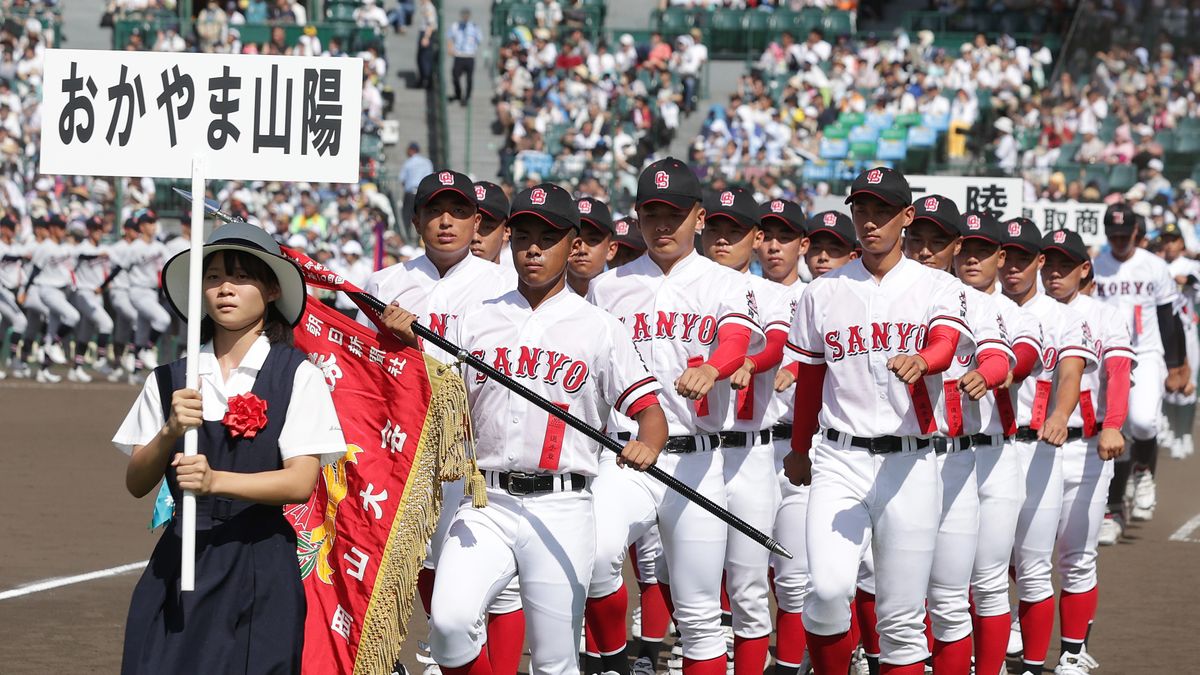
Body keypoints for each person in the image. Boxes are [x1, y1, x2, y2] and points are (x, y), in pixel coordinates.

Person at [384, 183, 667, 675]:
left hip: (563, 504)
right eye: (524, 236)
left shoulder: (599, 327)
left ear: (573, 244)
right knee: (449, 627)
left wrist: (648, 445)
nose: (534, 248)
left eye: (549, 236)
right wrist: (406, 343)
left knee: (555, 660)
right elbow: (431, 395)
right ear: (509, 238)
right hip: (484, 501)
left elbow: (650, 414)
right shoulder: (476, 319)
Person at [112, 221, 344, 674]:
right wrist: (168, 432)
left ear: (273, 289)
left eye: (241, 277)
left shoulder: (297, 375)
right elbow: (136, 481)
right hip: (180, 558)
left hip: (259, 561)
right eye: (214, 276)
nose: (225, 289)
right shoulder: (168, 379)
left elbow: (300, 481)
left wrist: (216, 480)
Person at [783, 167, 976, 674]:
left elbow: (946, 342)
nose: (870, 222)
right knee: (825, 590)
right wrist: (800, 448)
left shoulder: (937, 284)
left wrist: (926, 362)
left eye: (883, 211)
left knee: (902, 620)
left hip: (910, 464)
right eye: (862, 209)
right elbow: (809, 378)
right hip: (839, 457)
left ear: (907, 217)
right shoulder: (822, 290)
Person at [585, 158, 762, 675]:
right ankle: (615, 660)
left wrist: (715, 366)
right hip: (625, 455)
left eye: (675, 213)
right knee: (596, 557)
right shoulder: (608, 286)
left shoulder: (725, 282)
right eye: (652, 213)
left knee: (700, 615)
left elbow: (734, 338)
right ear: (637, 217)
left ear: (699, 218)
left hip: (696, 461)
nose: (663, 225)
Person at [360, 169, 513, 664]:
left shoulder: (506, 283)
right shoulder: (385, 283)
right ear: (415, 220)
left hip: (477, 448)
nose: (446, 221)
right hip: (410, 444)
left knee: (492, 578)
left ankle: (486, 662)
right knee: (424, 556)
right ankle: (440, 654)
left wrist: (416, 345)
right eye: (434, 211)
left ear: (477, 222)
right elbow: (366, 369)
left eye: (460, 211)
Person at [997, 218, 1095, 675]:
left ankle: (1035, 666)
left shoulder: (1065, 317)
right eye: (1007, 256)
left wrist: (1060, 413)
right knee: (986, 568)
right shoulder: (982, 305)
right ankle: (988, 659)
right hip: (985, 448)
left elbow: (1071, 372)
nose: (1012, 266)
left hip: (1037, 449)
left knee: (1034, 567)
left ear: (1039, 261)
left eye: (1023, 257)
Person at [698, 187, 786, 675]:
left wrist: (747, 361)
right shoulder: (688, 288)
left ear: (756, 238)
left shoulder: (770, 293)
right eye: (716, 228)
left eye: (736, 230)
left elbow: (774, 345)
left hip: (751, 452)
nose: (723, 238)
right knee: (691, 580)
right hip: (696, 449)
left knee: (749, 587)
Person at [1040, 229, 1133, 675]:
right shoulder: (1024, 310)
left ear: (1084, 270)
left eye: (1065, 265)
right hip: (1031, 447)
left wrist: (1113, 425)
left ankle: (1073, 653)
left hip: (1085, 447)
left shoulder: (1104, 315)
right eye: (1049, 263)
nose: (1055, 272)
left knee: (1077, 555)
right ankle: (1022, 642)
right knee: (1021, 553)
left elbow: (1117, 373)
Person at [954, 215, 1041, 675]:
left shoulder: (1015, 313)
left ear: (1000, 258)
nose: (972, 258)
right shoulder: (932, 302)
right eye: (965, 247)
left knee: (988, 579)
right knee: (940, 582)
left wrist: (1003, 371)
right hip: (939, 454)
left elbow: (1024, 354)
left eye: (983, 251)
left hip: (995, 453)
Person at [1091, 204, 1186, 538]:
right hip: (1106, 356)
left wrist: (1177, 366)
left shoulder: (1154, 266)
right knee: (1113, 428)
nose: (1118, 240)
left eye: (1124, 234)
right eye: (1112, 234)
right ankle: (1113, 513)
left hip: (1145, 353)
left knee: (1143, 422)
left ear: (1137, 233)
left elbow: (1169, 318)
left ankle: (1143, 472)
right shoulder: (1094, 267)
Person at [1156, 222, 1200, 459]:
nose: (1168, 244)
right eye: (1165, 239)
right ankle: (1172, 431)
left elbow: (1196, 282)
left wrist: (1189, 279)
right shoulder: (1158, 265)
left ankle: (1184, 434)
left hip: (1187, 331)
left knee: (1188, 383)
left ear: (1181, 243)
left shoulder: (1191, 265)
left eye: (1172, 239)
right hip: (1165, 331)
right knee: (1167, 383)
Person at [23, 213, 80, 383]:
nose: (63, 231)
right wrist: (24, 291)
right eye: (60, 227)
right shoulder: (45, 247)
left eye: (64, 227)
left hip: (61, 291)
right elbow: (34, 270)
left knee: (51, 332)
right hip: (47, 290)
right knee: (72, 316)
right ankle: (53, 345)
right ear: (53, 228)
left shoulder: (64, 247)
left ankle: (43, 370)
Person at [68, 216, 116, 382]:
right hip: (83, 293)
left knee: (85, 333)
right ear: (88, 230)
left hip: (97, 294)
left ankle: (76, 368)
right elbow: (74, 264)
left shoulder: (104, 248)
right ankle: (101, 359)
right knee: (106, 324)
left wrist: (103, 286)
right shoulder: (82, 248)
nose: (98, 232)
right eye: (95, 229)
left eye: (100, 228)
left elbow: (111, 268)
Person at [126, 210, 173, 375]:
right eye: (149, 223)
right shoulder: (135, 247)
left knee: (142, 331)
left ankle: (135, 372)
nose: (153, 226)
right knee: (162, 319)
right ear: (142, 226)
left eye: (154, 222)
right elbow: (121, 268)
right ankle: (148, 349)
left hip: (152, 292)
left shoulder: (159, 247)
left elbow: (171, 264)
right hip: (137, 291)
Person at [0, 213, 30, 379]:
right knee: (21, 321)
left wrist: (22, 291)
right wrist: (21, 255)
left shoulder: (16, 246)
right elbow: (6, 257)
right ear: (2, 228)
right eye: (10, 228)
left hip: (11, 293)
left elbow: (20, 271)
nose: (12, 231)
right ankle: (12, 359)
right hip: (1, 292)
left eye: (14, 228)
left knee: (2, 330)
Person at [471, 180, 518, 286]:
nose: (475, 237)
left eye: (487, 227)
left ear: (506, 231)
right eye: (470, 227)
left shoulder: (516, 287)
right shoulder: (439, 285)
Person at [566, 196, 615, 297]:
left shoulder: (624, 299)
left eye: (593, 240)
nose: (582, 249)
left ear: (611, 249)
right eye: (575, 240)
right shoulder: (542, 299)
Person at [400, 143, 434, 240]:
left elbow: (402, 180)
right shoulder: (427, 162)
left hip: (410, 193)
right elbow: (429, 178)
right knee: (422, 216)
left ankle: (406, 239)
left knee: (406, 216)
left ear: (411, 150)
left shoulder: (408, 162)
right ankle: (422, 240)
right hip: (423, 193)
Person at [447, 8, 480, 105]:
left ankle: (467, 97)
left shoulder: (474, 27)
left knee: (469, 79)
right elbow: (449, 37)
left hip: (469, 55)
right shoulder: (455, 26)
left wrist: (473, 48)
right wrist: (450, 48)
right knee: (455, 76)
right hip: (459, 55)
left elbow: (479, 39)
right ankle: (458, 94)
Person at [415, 0, 438, 89]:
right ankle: (423, 80)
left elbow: (431, 24)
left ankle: (428, 81)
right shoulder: (425, 6)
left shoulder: (429, 7)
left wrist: (426, 37)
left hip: (427, 34)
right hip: (424, 32)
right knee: (420, 58)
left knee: (425, 59)